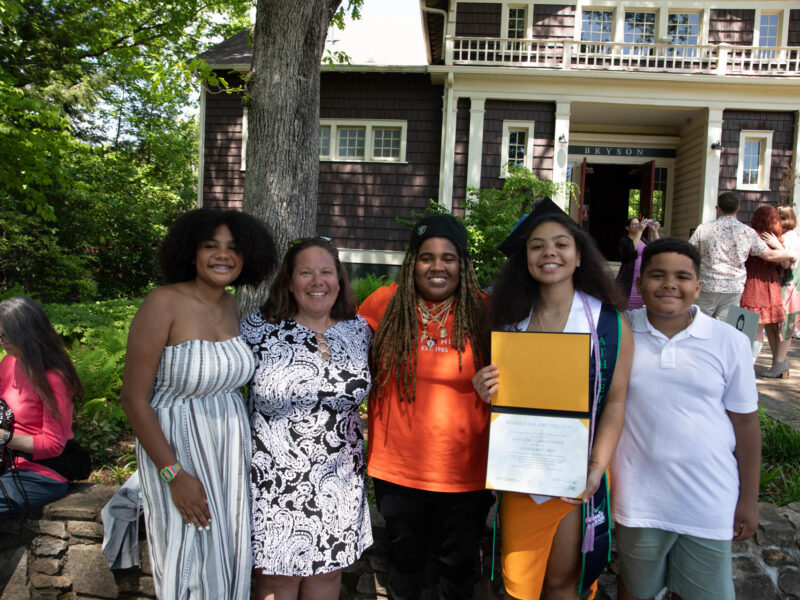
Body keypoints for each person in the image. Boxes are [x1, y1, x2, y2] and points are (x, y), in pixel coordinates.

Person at [473, 201, 633, 600]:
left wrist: (596, 468)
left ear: (579, 256)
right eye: (537, 246)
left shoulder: (608, 324)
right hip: (523, 474)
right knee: (518, 586)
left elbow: (614, 403)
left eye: (561, 244)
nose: (549, 253)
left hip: (576, 475)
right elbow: (499, 403)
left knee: (563, 582)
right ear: (525, 258)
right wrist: (483, 389)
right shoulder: (509, 322)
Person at [120, 208, 277, 600]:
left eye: (234, 248)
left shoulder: (230, 305)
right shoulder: (163, 304)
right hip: (179, 452)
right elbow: (134, 398)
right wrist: (174, 474)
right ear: (191, 253)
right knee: (189, 564)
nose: (223, 256)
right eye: (211, 246)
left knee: (227, 557)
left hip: (228, 454)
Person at [610, 238, 760, 600]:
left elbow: (746, 425)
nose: (669, 284)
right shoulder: (618, 332)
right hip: (638, 499)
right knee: (636, 590)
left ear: (698, 286)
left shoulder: (728, 341)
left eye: (682, 276)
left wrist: (748, 500)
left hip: (707, 499)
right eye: (657, 275)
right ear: (640, 282)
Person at [358, 214, 493, 600]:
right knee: (404, 565)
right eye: (426, 257)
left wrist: (499, 388)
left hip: (467, 468)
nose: (437, 267)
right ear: (411, 262)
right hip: (398, 468)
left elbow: (519, 379)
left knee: (459, 569)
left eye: (448, 258)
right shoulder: (382, 304)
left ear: (463, 264)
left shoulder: (485, 311)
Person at [240, 237, 372, 600]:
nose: (318, 281)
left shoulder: (358, 331)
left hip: (340, 484)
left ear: (340, 279)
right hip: (275, 488)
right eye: (306, 273)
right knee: (277, 584)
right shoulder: (256, 331)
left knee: (327, 580)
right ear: (289, 280)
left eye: (326, 271)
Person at [0, 296, 84, 518]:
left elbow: (53, 444)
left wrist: (4, 438)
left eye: (7, 336)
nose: (2, 342)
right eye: (0, 336)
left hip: (42, 473)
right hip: (7, 463)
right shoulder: (9, 362)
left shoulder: (54, 378)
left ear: (26, 333)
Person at [689, 191, 792, 321]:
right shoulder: (747, 232)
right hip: (733, 288)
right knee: (725, 328)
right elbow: (769, 255)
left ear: (718, 208)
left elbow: (688, 253)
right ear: (738, 208)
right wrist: (791, 253)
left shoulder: (704, 229)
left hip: (708, 285)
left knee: (700, 324)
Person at [740, 205, 788, 365]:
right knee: (758, 329)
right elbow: (787, 264)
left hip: (752, 283)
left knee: (746, 327)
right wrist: (780, 246)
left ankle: (745, 363)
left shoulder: (750, 234)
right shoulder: (776, 238)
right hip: (769, 285)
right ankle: (749, 363)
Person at [758, 204, 800, 378]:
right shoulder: (788, 235)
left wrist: (776, 245)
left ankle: (780, 363)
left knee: (784, 326)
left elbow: (787, 264)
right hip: (783, 285)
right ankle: (778, 363)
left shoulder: (789, 237)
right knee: (772, 324)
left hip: (788, 286)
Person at [616, 217, 660, 309]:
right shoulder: (624, 241)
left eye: (638, 223)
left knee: (640, 303)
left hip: (642, 275)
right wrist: (640, 230)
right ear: (627, 228)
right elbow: (632, 250)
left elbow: (658, 248)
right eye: (634, 224)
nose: (637, 226)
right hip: (629, 277)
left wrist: (655, 232)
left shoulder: (643, 240)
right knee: (626, 304)